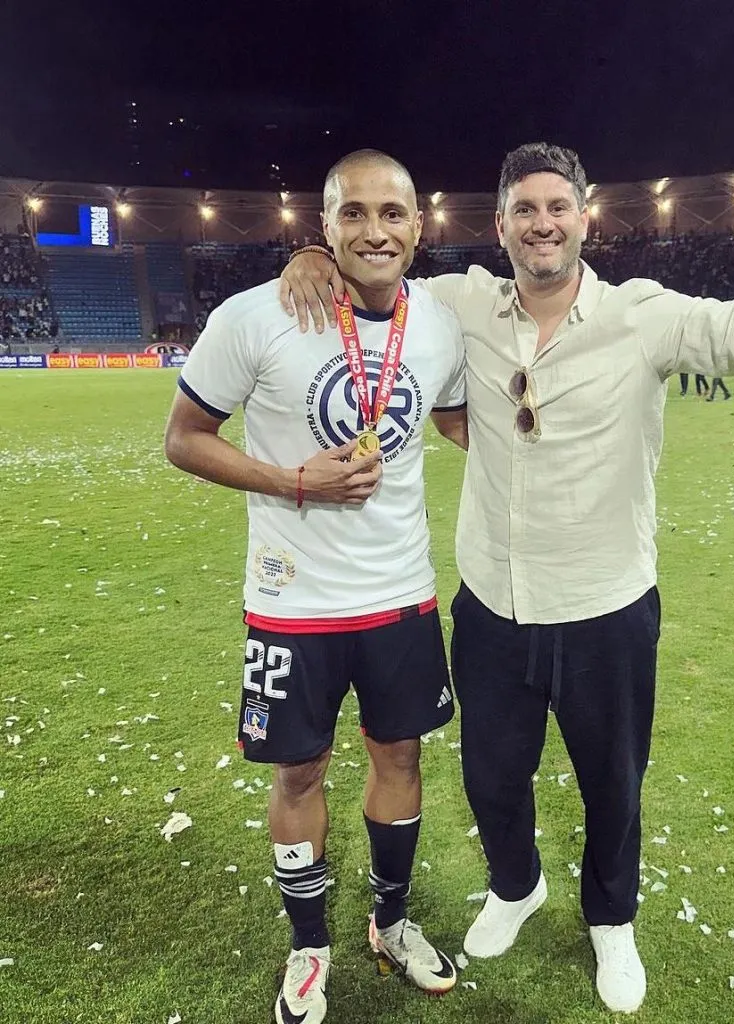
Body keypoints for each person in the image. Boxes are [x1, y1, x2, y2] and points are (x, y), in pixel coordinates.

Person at [278, 143, 734, 1014]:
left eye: (557, 207)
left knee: (612, 778)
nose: (542, 223)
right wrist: (311, 255)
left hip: (605, 603)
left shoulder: (641, 314)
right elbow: (377, 281)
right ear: (500, 226)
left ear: (583, 216)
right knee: (493, 776)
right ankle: (518, 885)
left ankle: (612, 918)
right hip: (494, 604)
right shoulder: (460, 304)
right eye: (524, 210)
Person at [164, 149, 465, 1024]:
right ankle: (309, 944)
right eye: (355, 214)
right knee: (298, 773)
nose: (376, 230)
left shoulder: (438, 322)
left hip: (401, 595)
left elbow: (448, 415)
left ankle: (392, 922)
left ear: (419, 225)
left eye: (394, 214)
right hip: (293, 602)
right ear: (324, 226)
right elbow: (184, 437)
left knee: (400, 758)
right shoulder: (259, 315)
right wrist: (296, 481)